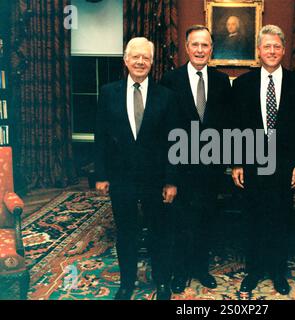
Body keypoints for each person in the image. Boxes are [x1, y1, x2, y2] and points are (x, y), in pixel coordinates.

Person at [95, 37, 179, 300]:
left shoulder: (166, 96)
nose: (140, 62)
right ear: (126, 60)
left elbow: (175, 141)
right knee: (127, 233)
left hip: (156, 179)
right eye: (135, 57)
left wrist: (171, 181)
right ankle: (126, 283)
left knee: (159, 232)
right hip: (122, 179)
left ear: (152, 62)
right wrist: (101, 176)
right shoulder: (109, 92)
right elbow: (102, 138)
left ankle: (162, 282)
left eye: (146, 57)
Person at [231, 25, 295, 295]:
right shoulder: (243, 84)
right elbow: (236, 128)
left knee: (281, 219)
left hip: (285, 165)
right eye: (267, 46)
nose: (272, 51)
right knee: (252, 219)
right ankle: (253, 270)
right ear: (259, 51)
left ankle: (278, 271)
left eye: (277, 46)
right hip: (252, 164)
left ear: (284, 50)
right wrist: (237, 163)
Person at [159, 25, 232, 294]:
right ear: (186, 47)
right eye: (195, 45)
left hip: (211, 168)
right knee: (179, 223)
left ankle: (202, 269)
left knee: (206, 220)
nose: (200, 50)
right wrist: (169, 175)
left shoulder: (222, 81)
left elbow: (228, 127)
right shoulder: (170, 80)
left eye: (205, 45)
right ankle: (180, 271)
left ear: (212, 50)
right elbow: (164, 130)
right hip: (180, 167)